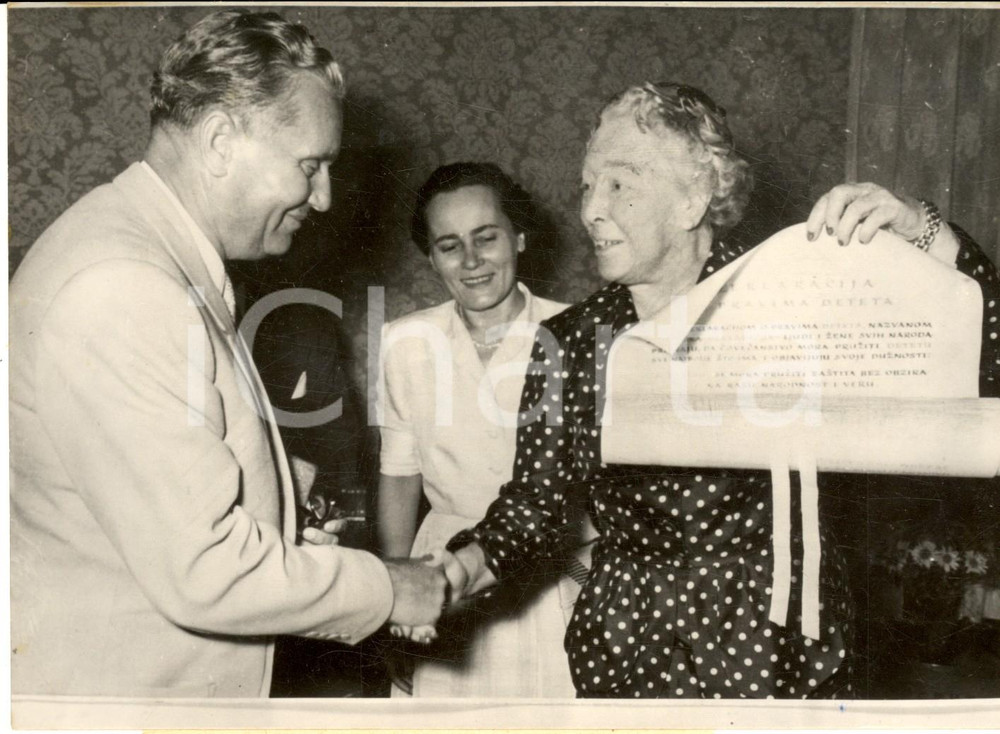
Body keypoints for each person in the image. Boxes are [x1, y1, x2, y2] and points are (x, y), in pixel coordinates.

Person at [436, 82, 1000, 698]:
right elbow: (536, 505)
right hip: (627, 647)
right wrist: (449, 574)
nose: (591, 208)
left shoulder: (796, 298)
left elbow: (982, 356)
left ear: (694, 197)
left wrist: (922, 229)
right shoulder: (568, 340)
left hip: (775, 645)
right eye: (587, 185)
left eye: (619, 183)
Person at [9, 9, 446, 698]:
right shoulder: (122, 283)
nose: (324, 198)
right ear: (218, 141)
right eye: (311, 165)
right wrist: (389, 587)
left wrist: (270, 491)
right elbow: (206, 569)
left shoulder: (149, 251)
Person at [376, 162, 594, 697]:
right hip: (444, 574)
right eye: (449, 245)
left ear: (518, 236)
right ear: (431, 257)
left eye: (486, 238)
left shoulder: (580, 332)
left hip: (555, 573)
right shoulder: (406, 341)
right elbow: (400, 478)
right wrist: (394, 598)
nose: (471, 261)